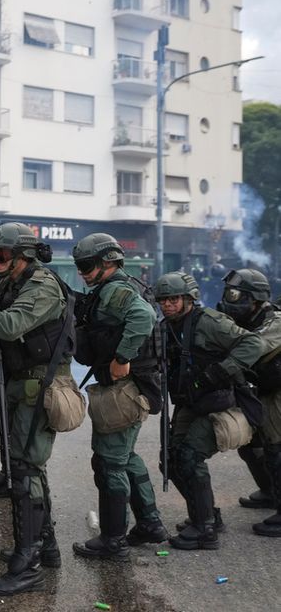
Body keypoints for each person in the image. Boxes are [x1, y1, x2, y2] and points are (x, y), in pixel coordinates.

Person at [0, 223, 77, 596]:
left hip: (38, 386)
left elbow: (9, 326)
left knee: (24, 473)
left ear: (23, 256)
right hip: (19, 383)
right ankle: (46, 548)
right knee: (25, 468)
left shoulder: (42, 286)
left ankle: (28, 563)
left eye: (3, 256)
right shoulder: (13, 284)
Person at [70, 233, 168, 561]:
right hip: (139, 385)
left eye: (87, 265)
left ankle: (113, 540)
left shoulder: (116, 290)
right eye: (79, 265)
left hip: (128, 386)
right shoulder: (117, 287)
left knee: (109, 462)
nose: (82, 271)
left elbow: (144, 317)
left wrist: (122, 357)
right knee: (125, 457)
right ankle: (150, 523)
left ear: (109, 262)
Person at [155, 271, 261, 550]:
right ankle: (206, 514)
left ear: (189, 299)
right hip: (188, 402)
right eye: (163, 300)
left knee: (190, 457)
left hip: (216, 401)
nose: (167, 305)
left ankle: (204, 530)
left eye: (174, 299)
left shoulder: (210, 323)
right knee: (171, 460)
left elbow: (253, 343)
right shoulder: (165, 327)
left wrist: (220, 371)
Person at [215, 269, 281, 536]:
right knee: (250, 444)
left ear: (255, 299)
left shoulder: (274, 322)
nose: (230, 299)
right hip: (262, 389)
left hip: (277, 392)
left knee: (277, 449)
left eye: (236, 295)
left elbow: (252, 349)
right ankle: (269, 492)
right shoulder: (247, 319)